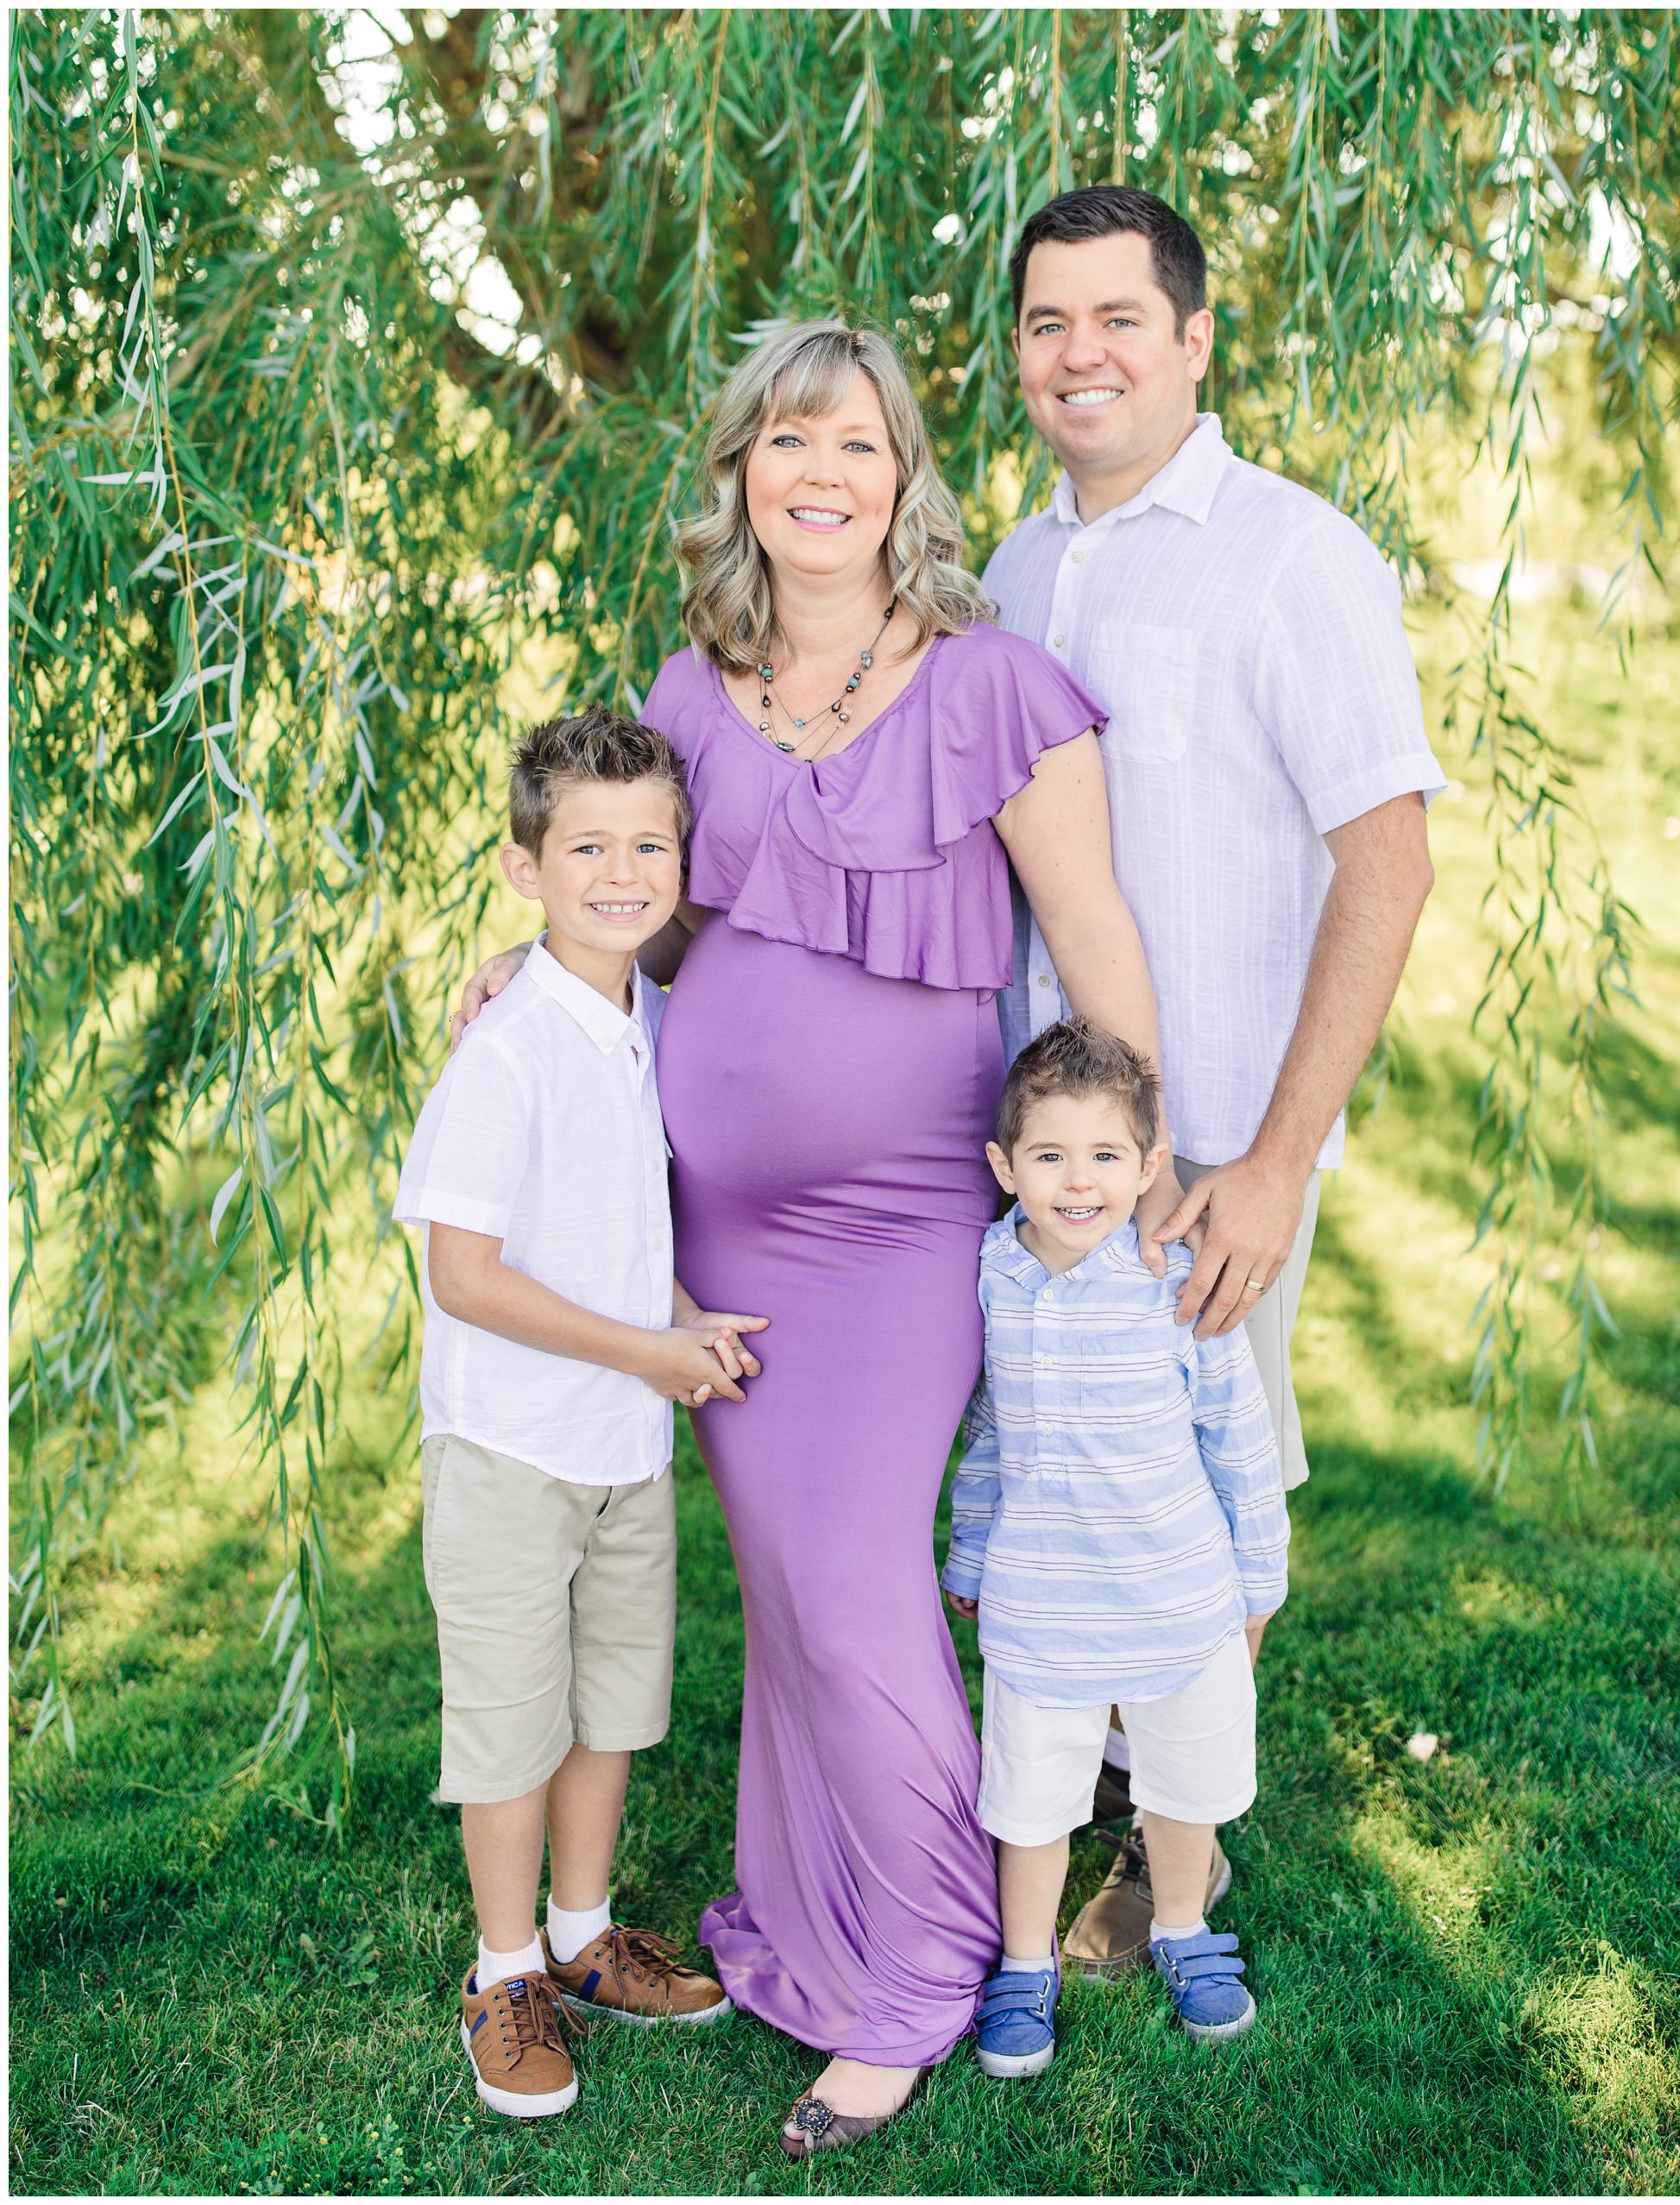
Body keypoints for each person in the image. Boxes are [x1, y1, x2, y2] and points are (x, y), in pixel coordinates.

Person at [454, 321, 1175, 2158]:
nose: (817, 471)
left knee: (855, 1583)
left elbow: (1093, 943)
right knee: (787, 1595)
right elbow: (664, 918)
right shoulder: (696, 692)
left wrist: (1120, 1172)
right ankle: (808, 1917)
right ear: (743, 479)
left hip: (897, 1219)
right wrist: (534, 967)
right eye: (784, 440)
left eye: (851, 439)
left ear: (902, 471)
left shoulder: (997, 684)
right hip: (714, 1220)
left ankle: (922, 1969)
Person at [986, 184, 1443, 1975]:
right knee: (1068, 1472)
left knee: (1198, 1499)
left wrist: (1268, 1158)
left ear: (1192, 338)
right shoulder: (1022, 565)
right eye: (1045, 322)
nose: (1078, 351)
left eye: (1116, 317)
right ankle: (1087, 1793)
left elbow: (1386, 861)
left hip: (1214, 1154)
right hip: (1044, 1160)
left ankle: (1168, 1858)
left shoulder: (1289, 553)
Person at [395, 709, 771, 2120]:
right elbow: (465, 1273)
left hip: (623, 1439)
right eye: (588, 847)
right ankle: (503, 1975)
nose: (622, 871)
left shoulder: (649, 1019)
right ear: (522, 867)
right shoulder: (505, 1053)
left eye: (649, 844)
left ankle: (580, 1933)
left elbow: (614, 1217)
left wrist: (670, 1320)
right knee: (510, 1724)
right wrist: (642, 1346)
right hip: (513, 1448)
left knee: (607, 1710)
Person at [942, 1019, 1288, 2074]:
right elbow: (992, 1425)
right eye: (1049, 1155)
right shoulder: (994, 1272)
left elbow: (1237, 1432)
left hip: (1174, 1588)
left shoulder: (1170, 1278)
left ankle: (1182, 1927)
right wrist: (966, 1550)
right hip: (1041, 1596)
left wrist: (1257, 1573)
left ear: (1147, 1165)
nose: (1078, 1181)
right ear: (1005, 1167)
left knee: (1180, 1780)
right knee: (1031, 1792)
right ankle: (1022, 1963)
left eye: (1104, 1156)